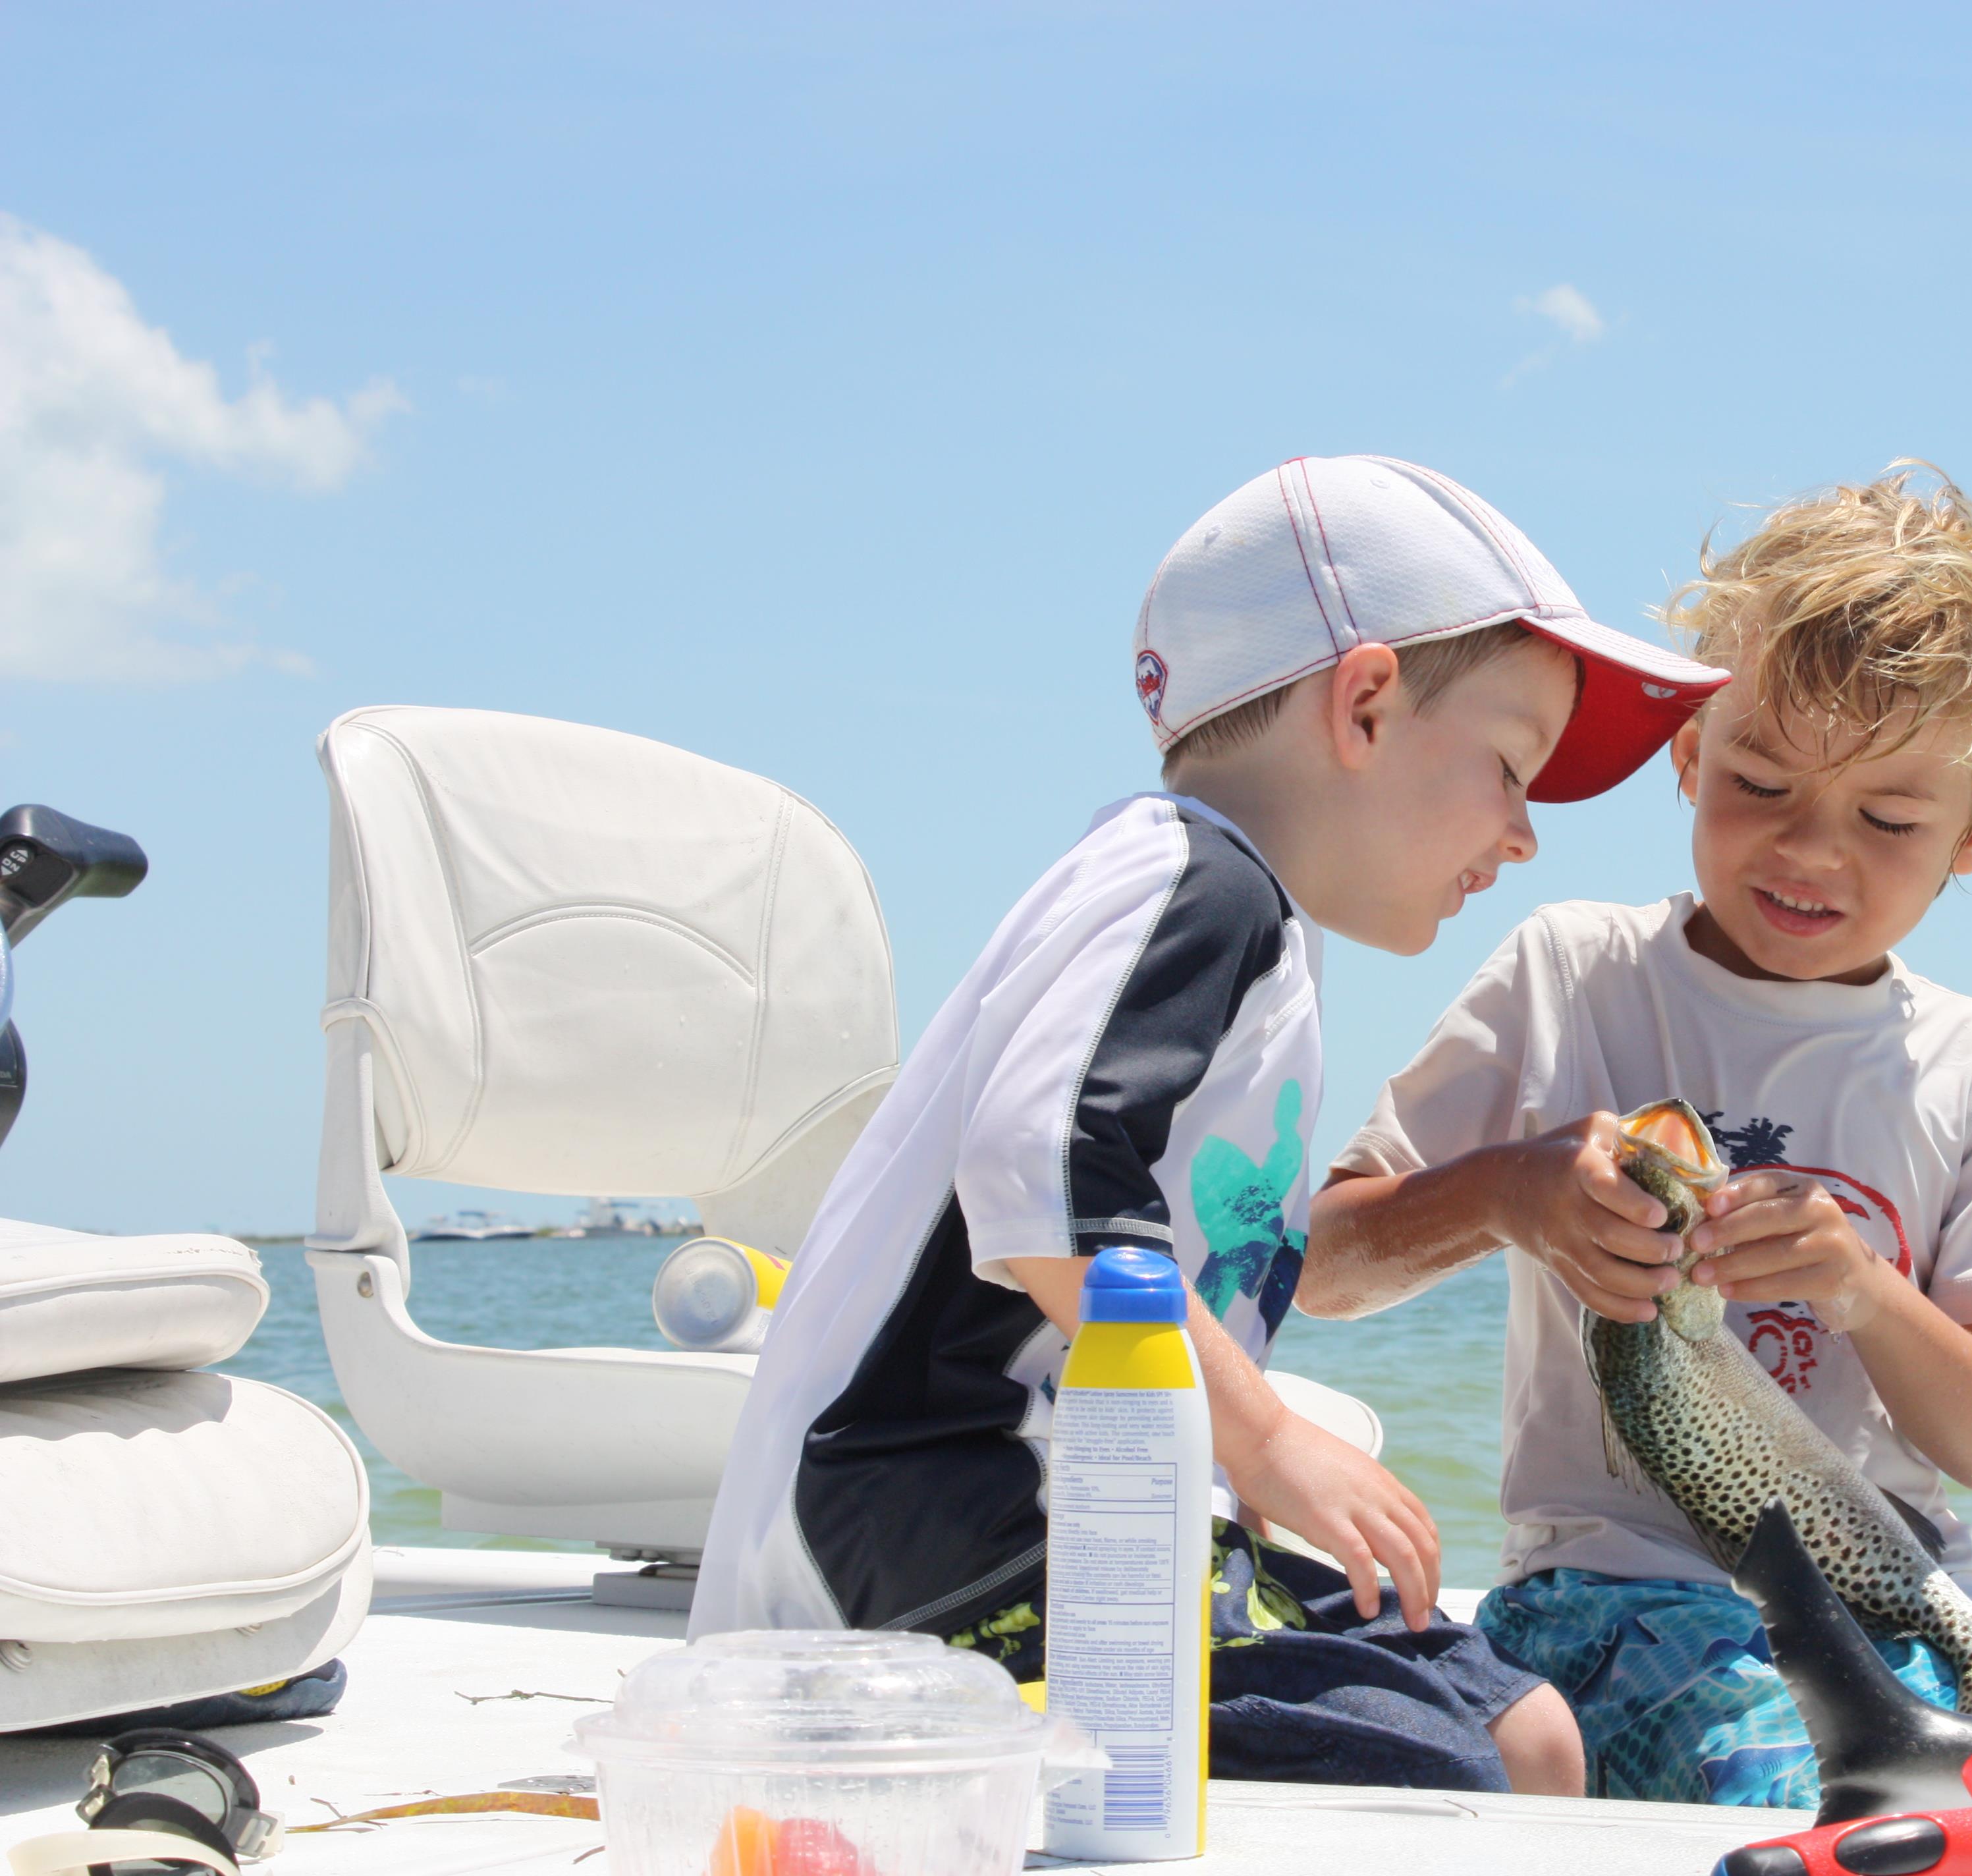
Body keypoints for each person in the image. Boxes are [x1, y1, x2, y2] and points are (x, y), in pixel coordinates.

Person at [690, 454, 1728, 1797]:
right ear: (1362, 703)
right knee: (1450, 1776)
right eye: (1512, 767)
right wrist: (1265, 1434)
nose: (1526, 833)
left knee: (1528, 1732)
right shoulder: (1193, 885)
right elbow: (1048, 1172)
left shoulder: (1239, 916)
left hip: (1086, 1518)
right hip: (937, 1528)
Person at [1302, 464, 1972, 1809]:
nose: (1812, 850)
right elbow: (1318, 1266)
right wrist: (1507, 1194)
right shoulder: (1574, 973)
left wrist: (1863, 1289)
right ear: (1689, 752)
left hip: (1905, 1597)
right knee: (1830, 1802)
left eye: (1890, 818)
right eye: (1761, 779)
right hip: (1613, 1601)